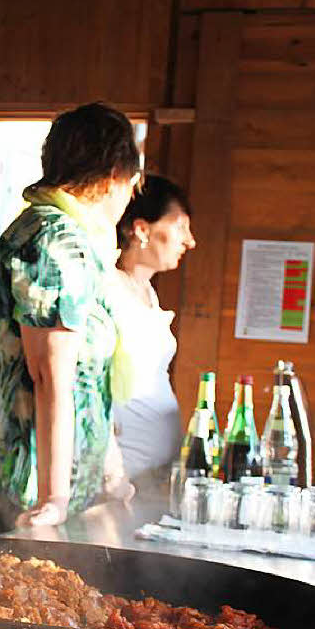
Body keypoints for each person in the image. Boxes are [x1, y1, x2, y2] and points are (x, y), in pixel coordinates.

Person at [0, 103, 141, 534]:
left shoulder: (73, 239)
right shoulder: (55, 238)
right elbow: (50, 373)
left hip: (22, 488)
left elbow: (90, 384)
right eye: (133, 186)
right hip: (0, 486)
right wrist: (55, 498)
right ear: (114, 177)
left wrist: (109, 473)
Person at [109, 175, 196, 486]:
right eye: (180, 227)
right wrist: (113, 470)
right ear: (142, 229)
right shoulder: (109, 289)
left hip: (155, 474)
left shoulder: (146, 292)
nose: (189, 241)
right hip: (122, 477)